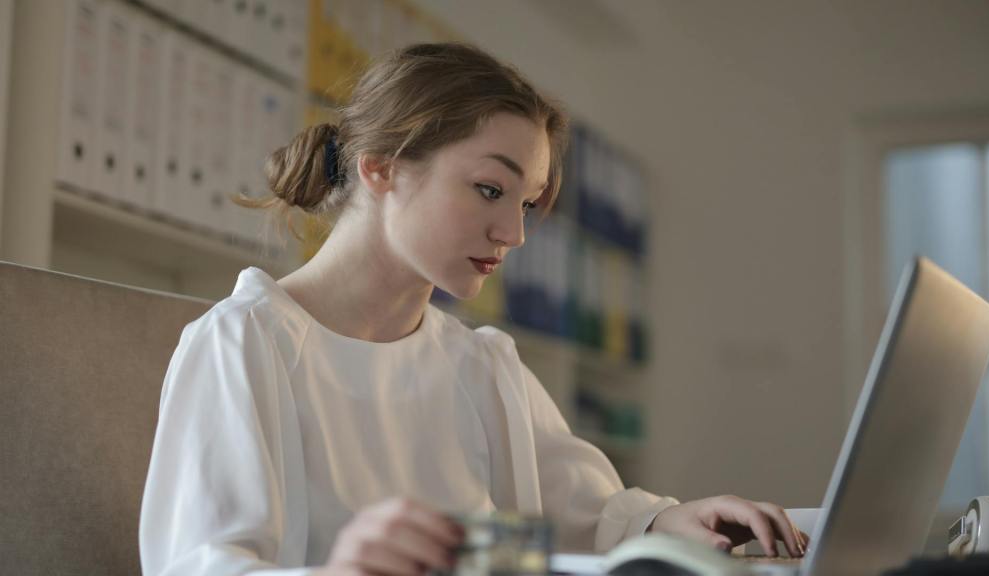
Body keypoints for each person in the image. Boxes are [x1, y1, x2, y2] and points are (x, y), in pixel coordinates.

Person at [139, 42, 807, 576]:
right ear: (382, 169)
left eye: (525, 204)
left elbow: (585, 516)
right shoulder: (243, 343)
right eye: (490, 189)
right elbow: (197, 564)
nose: (513, 235)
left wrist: (668, 524)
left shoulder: (481, 365)